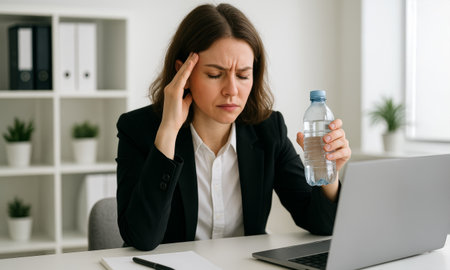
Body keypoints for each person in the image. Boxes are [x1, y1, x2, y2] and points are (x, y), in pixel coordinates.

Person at [116, 3, 351, 251]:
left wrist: (329, 175)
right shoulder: (139, 130)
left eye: (242, 75)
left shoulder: (269, 130)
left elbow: (319, 223)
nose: (232, 91)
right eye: (215, 75)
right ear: (183, 72)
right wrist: (168, 132)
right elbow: (142, 238)